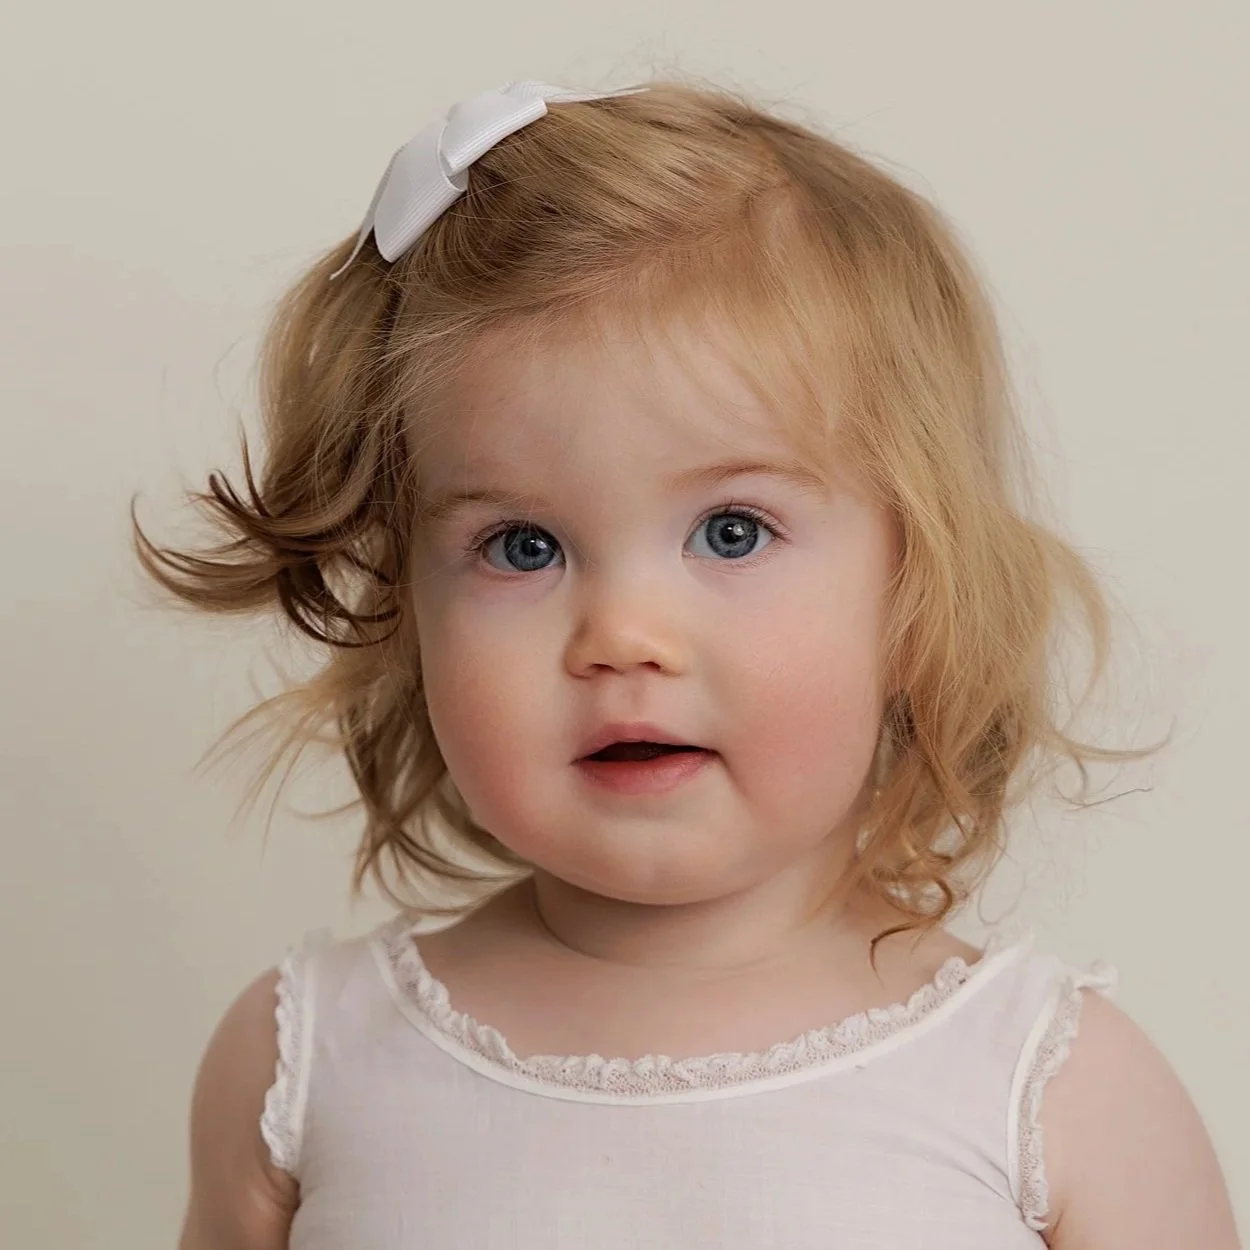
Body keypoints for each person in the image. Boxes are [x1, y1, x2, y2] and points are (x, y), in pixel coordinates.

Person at [131, 78, 1241, 1249]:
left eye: (730, 531)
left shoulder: (1050, 1088)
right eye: (522, 545)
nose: (622, 636)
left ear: (916, 589)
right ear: (408, 606)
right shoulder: (305, 1061)